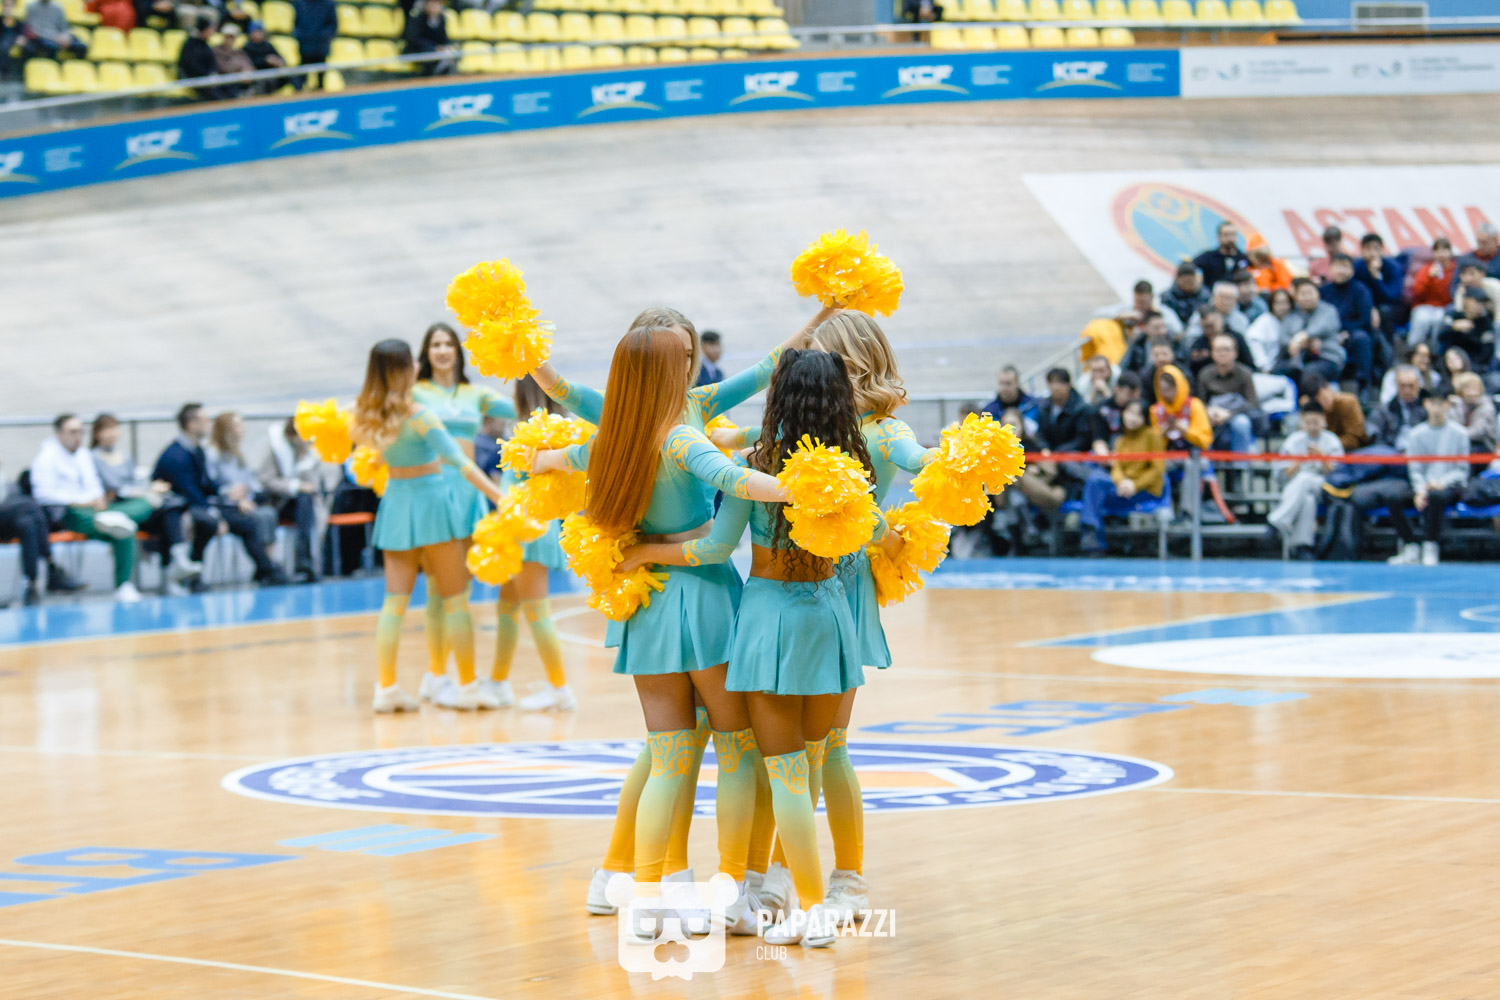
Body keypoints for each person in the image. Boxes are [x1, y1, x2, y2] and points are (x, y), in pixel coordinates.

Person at [527, 304, 823, 924]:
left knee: (667, 756)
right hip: (703, 593)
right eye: (682, 358)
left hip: (645, 602)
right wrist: (806, 487)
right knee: (736, 747)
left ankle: (649, 894)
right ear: (666, 370)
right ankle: (730, 892)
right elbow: (734, 479)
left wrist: (542, 457)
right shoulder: (680, 432)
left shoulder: (610, 437)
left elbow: (556, 436)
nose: (692, 366)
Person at [619, 348, 899, 948]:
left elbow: (715, 550)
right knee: (815, 761)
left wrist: (645, 552)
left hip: (770, 621)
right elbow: (885, 538)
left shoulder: (757, 465)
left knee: (786, 775)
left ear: (779, 400)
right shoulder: (854, 471)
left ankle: (810, 907)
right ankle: (809, 909)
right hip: (831, 619)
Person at [353, 339, 506, 712]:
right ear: (408, 369)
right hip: (433, 507)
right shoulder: (420, 415)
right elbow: (460, 462)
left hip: (396, 505)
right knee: (455, 601)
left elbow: (364, 457)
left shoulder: (365, 418)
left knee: (394, 604)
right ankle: (468, 688)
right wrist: (500, 497)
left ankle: (386, 690)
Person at [411, 322, 517, 704]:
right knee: (437, 588)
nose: (442, 350)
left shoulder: (476, 395)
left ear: (459, 351)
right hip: (432, 494)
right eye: (435, 344)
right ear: (426, 352)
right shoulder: (415, 392)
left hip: (471, 494)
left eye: (448, 344)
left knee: (462, 587)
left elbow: (523, 406)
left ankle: (446, 674)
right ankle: (437, 673)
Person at [492, 376, 576, 713]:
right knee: (507, 606)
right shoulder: (557, 430)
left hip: (528, 527)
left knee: (536, 611)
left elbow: (513, 487)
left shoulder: (529, 433)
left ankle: (560, 689)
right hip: (532, 525)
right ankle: (498, 682)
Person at [152, 403, 288, 590]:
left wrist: (227, 491)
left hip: (201, 504)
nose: (209, 423)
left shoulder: (195, 449)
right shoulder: (177, 455)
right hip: (179, 510)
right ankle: (193, 576)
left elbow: (206, 485)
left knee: (250, 521)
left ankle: (266, 569)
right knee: (207, 522)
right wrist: (216, 515)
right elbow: (189, 492)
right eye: (204, 420)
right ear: (191, 424)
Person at [30, 414, 156, 603]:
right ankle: (110, 518)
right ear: (59, 433)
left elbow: (93, 484)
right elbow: (43, 494)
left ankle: (123, 585)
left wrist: (96, 499)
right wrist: (79, 501)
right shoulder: (46, 457)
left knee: (126, 527)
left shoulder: (83, 455)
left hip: (94, 510)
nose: (78, 436)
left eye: (80, 431)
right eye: (72, 432)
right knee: (119, 523)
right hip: (66, 513)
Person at [91, 413, 200, 593]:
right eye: (106, 429)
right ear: (97, 433)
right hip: (118, 506)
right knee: (161, 508)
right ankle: (173, 561)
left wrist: (149, 488)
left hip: (138, 501)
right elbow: (113, 489)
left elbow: (134, 481)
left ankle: (172, 569)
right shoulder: (93, 457)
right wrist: (144, 491)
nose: (111, 433)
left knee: (169, 513)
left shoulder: (124, 456)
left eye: (114, 429)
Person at [1387, 390, 1470, 566]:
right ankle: (1410, 546)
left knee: (1436, 496)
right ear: (1426, 404)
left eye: (1441, 403)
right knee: (1393, 497)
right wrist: (1420, 490)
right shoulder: (1416, 434)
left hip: (1450, 486)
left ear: (1447, 405)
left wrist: (1441, 483)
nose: (1436, 408)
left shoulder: (1460, 433)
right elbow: (1414, 468)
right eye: (1433, 403)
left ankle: (1430, 544)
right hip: (1423, 486)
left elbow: (1462, 470)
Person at [1078, 399, 1165, 555]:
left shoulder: (1153, 436)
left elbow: (1157, 470)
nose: (1132, 418)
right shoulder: (1120, 440)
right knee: (1096, 479)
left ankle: (1092, 533)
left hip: (1145, 490)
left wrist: (1134, 485)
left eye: (1138, 415)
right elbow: (1117, 468)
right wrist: (1122, 482)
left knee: (1096, 484)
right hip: (1122, 488)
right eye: (1130, 413)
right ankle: (1092, 536)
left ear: (1144, 418)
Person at [0, 463, 84, 606]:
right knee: (31, 506)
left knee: (28, 525)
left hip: (9, 520)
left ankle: (31, 584)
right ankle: (52, 568)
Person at [1268, 402, 1343, 560]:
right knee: (1307, 499)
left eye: (1316, 422)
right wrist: (1300, 461)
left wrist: (1322, 458)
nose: (1312, 426)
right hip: (1295, 488)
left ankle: (1277, 521)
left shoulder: (1332, 441)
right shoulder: (1293, 441)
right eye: (1308, 422)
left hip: (1325, 487)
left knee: (1305, 479)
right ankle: (1302, 546)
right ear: (1302, 421)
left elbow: (1339, 475)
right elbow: (1282, 476)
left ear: (1323, 420)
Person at [256, 417, 325, 584]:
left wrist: (304, 462)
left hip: (302, 506)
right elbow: (266, 480)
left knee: (306, 500)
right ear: (292, 436)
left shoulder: (308, 451)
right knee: (303, 499)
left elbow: (314, 485)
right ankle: (298, 561)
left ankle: (304, 561)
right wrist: (295, 485)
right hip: (278, 503)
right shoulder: (275, 450)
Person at [1194, 333, 1260, 459]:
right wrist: (1210, 412)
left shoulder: (1245, 373)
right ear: (1212, 353)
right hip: (1212, 416)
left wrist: (1229, 413)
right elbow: (1199, 402)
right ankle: (1207, 466)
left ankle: (1239, 466)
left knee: (1241, 423)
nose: (1222, 353)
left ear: (1235, 353)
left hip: (1236, 414)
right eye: (1218, 350)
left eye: (1226, 349)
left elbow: (1253, 403)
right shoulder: (1205, 374)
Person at [1320, 254, 1376, 390]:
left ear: (1352, 270)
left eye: (1344, 266)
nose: (1340, 270)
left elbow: (1365, 319)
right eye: (1337, 266)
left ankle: (1364, 384)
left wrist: (1346, 332)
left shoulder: (1361, 290)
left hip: (1352, 333)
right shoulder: (1323, 291)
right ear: (1330, 269)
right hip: (1328, 334)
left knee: (1361, 339)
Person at [1280, 277, 1345, 386]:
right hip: (1299, 359)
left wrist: (1301, 337)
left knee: (1309, 373)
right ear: (1296, 297)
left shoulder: (1329, 311)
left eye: (1310, 293)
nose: (1307, 297)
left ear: (1318, 294)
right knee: (1281, 370)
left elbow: (1321, 327)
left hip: (1327, 357)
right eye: (1303, 294)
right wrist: (1297, 344)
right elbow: (1283, 339)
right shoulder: (1292, 315)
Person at [1353, 233, 1405, 345]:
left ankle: (1389, 347)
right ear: (1362, 251)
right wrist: (1370, 307)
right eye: (1368, 249)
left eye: (1376, 249)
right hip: (1363, 306)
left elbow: (1392, 297)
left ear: (1382, 250)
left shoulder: (1392, 267)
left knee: (1385, 311)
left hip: (1388, 307)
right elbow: (1353, 292)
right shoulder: (1356, 267)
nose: (1372, 253)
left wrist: (1376, 277)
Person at [1407, 237, 1457, 346]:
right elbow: (1417, 293)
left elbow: (1453, 293)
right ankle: (1412, 350)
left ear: (1450, 252)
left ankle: (1436, 351)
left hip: (1445, 307)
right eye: (1437, 250)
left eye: (1444, 250)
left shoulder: (1455, 270)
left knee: (1440, 320)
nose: (1441, 254)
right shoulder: (1425, 270)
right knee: (1421, 319)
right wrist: (1429, 278)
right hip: (1424, 306)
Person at [1367, 364, 1429, 451]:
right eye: (1403, 386)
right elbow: (1373, 432)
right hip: (1390, 452)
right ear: (1396, 386)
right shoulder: (1384, 409)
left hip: (1421, 452)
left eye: (1411, 386)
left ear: (1418, 387)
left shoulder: (1427, 409)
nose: (1407, 391)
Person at [1301, 373, 1368, 452]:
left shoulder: (1348, 402)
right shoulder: (1315, 408)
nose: (1322, 402)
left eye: (1322, 396)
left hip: (1350, 450)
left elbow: (1354, 439)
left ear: (1328, 387)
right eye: (1317, 400)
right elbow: (1305, 433)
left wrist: (1327, 446)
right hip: (1322, 449)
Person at [1150, 365, 1210, 451]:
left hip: (1194, 454)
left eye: (1169, 389)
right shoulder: (1155, 410)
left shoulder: (1194, 405)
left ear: (1179, 386)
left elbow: (1205, 441)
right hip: (1166, 454)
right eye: (1162, 389)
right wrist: (1163, 432)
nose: (1165, 394)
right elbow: (1153, 447)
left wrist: (1183, 430)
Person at [1436, 287, 1495, 370]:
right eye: (1477, 302)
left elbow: (1487, 350)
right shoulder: (1454, 315)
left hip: (1475, 365)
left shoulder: (1485, 322)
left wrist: (1470, 333)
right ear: (1467, 301)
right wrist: (1454, 327)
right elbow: (1440, 335)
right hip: (1449, 364)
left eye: (1483, 303)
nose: (1481, 306)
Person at [177, 16, 229, 101]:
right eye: (210, 29)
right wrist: (206, 76)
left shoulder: (205, 44)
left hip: (206, 78)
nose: (212, 31)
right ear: (204, 29)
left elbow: (211, 62)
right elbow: (190, 66)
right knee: (215, 96)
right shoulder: (190, 45)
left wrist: (212, 74)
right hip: (195, 79)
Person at [1091, 370, 1142, 451]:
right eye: (1129, 393)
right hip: (1109, 449)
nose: (1133, 398)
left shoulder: (1138, 408)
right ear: (1117, 389)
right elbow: (1098, 439)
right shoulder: (1103, 407)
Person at [1247, 287, 1295, 373]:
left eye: (1285, 302)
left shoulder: (1292, 319)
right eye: (1278, 303)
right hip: (1267, 368)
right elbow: (1253, 340)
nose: (1282, 307)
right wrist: (1264, 366)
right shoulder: (1264, 321)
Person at [1450, 371, 1497, 457]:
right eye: (1467, 388)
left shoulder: (1487, 407)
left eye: (1475, 388)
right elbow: (1452, 426)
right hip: (1458, 445)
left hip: (1482, 447)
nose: (1472, 392)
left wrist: (1459, 436)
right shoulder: (1455, 406)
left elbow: (1478, 432)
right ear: (1461, 391)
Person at [1192, 221, 1251, 289]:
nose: (1230, 239)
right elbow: (1189, 266)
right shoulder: (1208, 257)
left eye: (1233, 234)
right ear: (1219, 237)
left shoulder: (1243, 258)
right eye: (1226, 235)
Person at [292, 0, 336, 89]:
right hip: (304, 46)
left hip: (321, 47)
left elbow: (333, 24)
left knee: (320, 78)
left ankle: (320, 92)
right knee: (301, 78)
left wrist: (323, 36)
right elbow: (296, 23)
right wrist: (301, 36)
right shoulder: (300, 3)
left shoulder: (328, 4)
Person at [404, 0, 455, 76]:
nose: (435, 6)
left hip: (435, 51)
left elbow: (444, 38)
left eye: (437, 4)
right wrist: (434, 48)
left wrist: (447, 46)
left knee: (450, 54)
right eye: (432, 3)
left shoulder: (441, 20)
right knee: (432, 57)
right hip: (418, 50)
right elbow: (414, 39)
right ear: (426, 5)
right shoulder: (417, 18)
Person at [21, 0, 86, 58]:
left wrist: (65, 37)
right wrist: (54, 37)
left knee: (80, 47)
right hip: (42, 38)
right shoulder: (31, 7)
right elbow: (34, 30)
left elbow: (64, 27)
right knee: (51, 46)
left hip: (57, 36)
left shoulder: (58, 7)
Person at [980, 365, 1037, 430]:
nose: (1004, 388)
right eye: (1001, 383)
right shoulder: (989, 410)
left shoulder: (1032, 406)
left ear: (1017, 383)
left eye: (1008, 383)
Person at [1161, 262, 1210, 328]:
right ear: (1178, 280)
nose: (1188, 285)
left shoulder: (1205, 296)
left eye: (1191, 281)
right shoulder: (1167, 297)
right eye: (1186, 282)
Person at [212, 22, 254, 93]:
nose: (229, 39)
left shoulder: (239, 52)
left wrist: (247, 71)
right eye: (227, 37)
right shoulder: (216, 51)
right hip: (224, 86)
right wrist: (239, 71)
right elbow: (224, 68)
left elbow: (249, 66)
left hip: (240, 85)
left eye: (231, 37)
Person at [241, 20, 285, 86]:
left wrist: (278, 61)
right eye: (256, 31)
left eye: (260, 31)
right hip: (257, 78)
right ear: (251, 33)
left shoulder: (267, 45)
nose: (259, 33)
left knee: (291, 74)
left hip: (272, 74)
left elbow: (279, 58)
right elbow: (250, 63)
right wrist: (265, 60)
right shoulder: (247, 47)